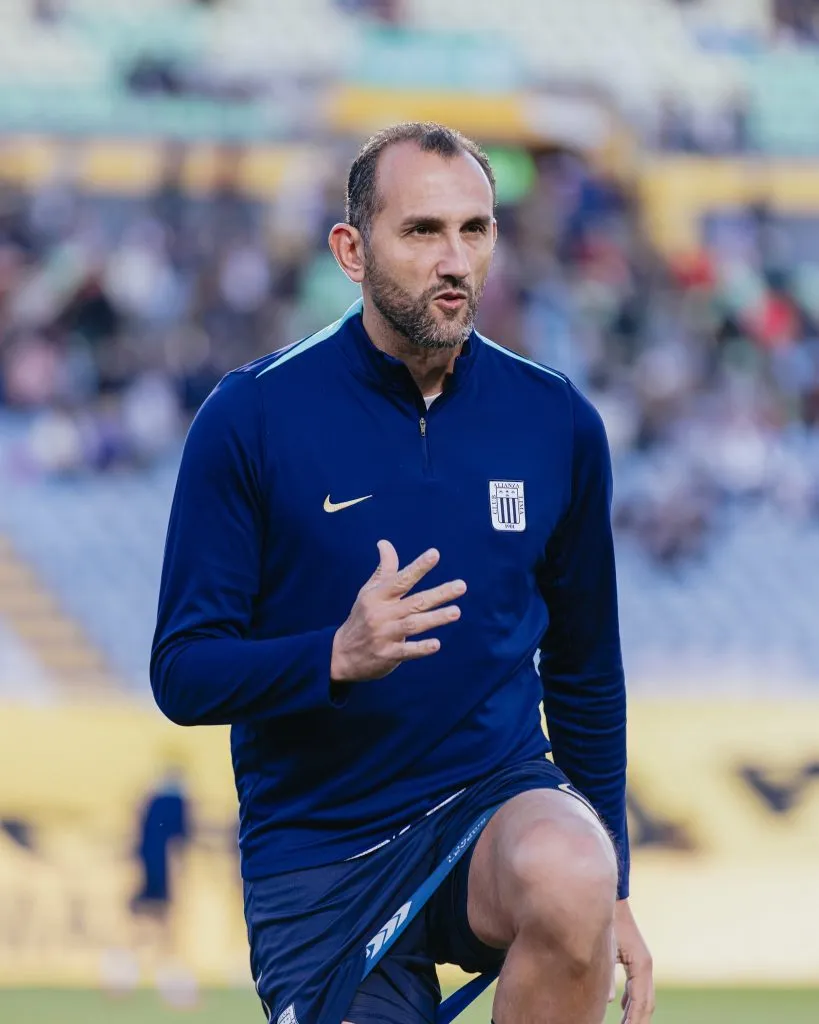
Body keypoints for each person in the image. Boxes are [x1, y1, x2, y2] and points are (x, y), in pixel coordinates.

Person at [151, 122, 654, 1024]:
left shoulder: (556, 422)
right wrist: (334, 656)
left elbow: (585, 671)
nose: (454, 260)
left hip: (492, 801)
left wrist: (610, 887)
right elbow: (182, 671)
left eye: (474, 229)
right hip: (324, 852)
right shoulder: (251, 416)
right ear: (352, 250)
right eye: (422, 230)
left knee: (573, 868)